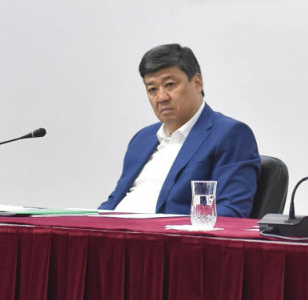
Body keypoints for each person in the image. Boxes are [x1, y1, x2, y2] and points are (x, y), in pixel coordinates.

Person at [100, 44, 261, 217]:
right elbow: (113, 202)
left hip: (163, 233)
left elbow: (230, 212)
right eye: (152, 89)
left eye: (170, 85)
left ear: (197, 83)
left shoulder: (230, 134)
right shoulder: (142, 138)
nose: (161, 98)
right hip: (115, 230)